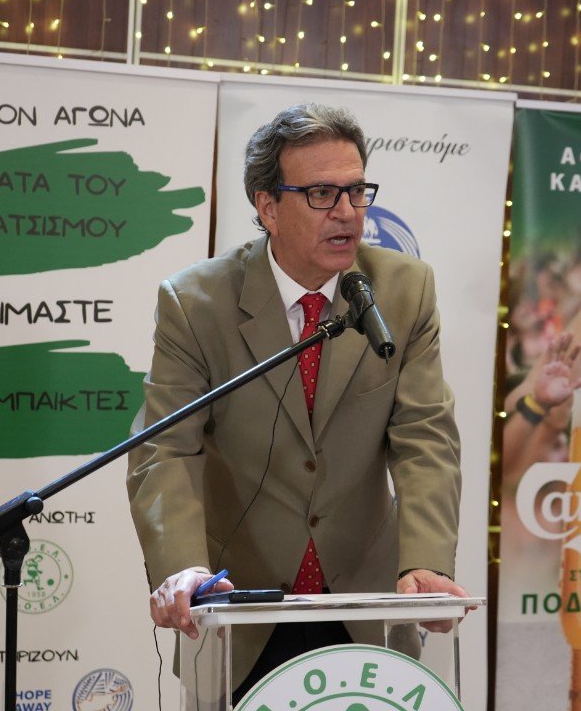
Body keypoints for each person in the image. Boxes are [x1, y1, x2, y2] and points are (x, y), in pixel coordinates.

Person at [126, 102, 467, 700]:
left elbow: (425, 435)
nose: (348, 213)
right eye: (321, 194)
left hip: (364, 600)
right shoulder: (196, 302)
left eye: (357, 191)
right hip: (238, 607)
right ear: (267, 207)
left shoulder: (405, 290)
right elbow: (165, 449)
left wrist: (427, 561)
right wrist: (181, 567)